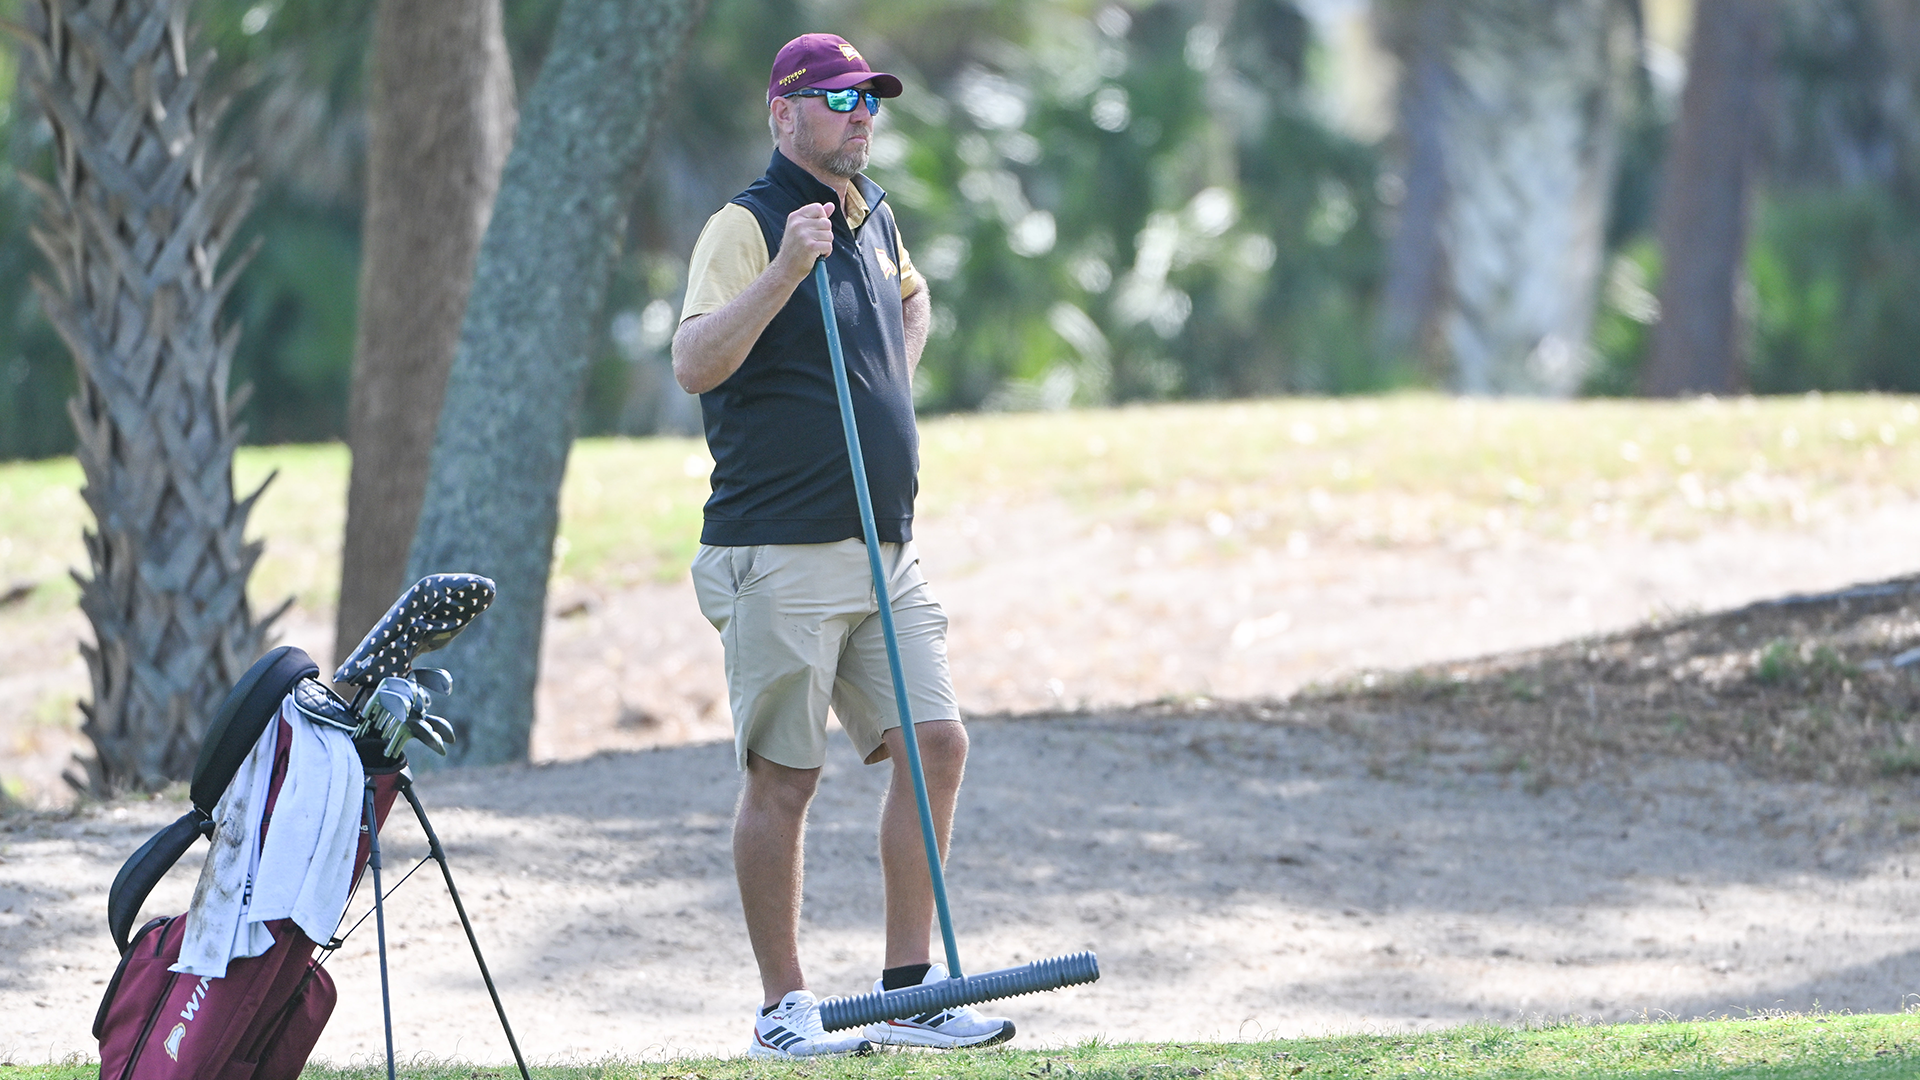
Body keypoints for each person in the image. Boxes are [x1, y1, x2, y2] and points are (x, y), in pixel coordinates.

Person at [670, 33, 1014, 1060]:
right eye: (840, 99)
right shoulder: (746, 225)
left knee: (937, 744)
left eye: (870, 99)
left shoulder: (872, 214)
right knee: (786, 777)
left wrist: (889, 378)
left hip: (883, 545)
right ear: (784, 113)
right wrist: (787, 267)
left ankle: (909, 991)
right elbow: (693, 361)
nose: (863, 114)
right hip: (778, 547)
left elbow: (913, 298)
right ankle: (784, 1011)